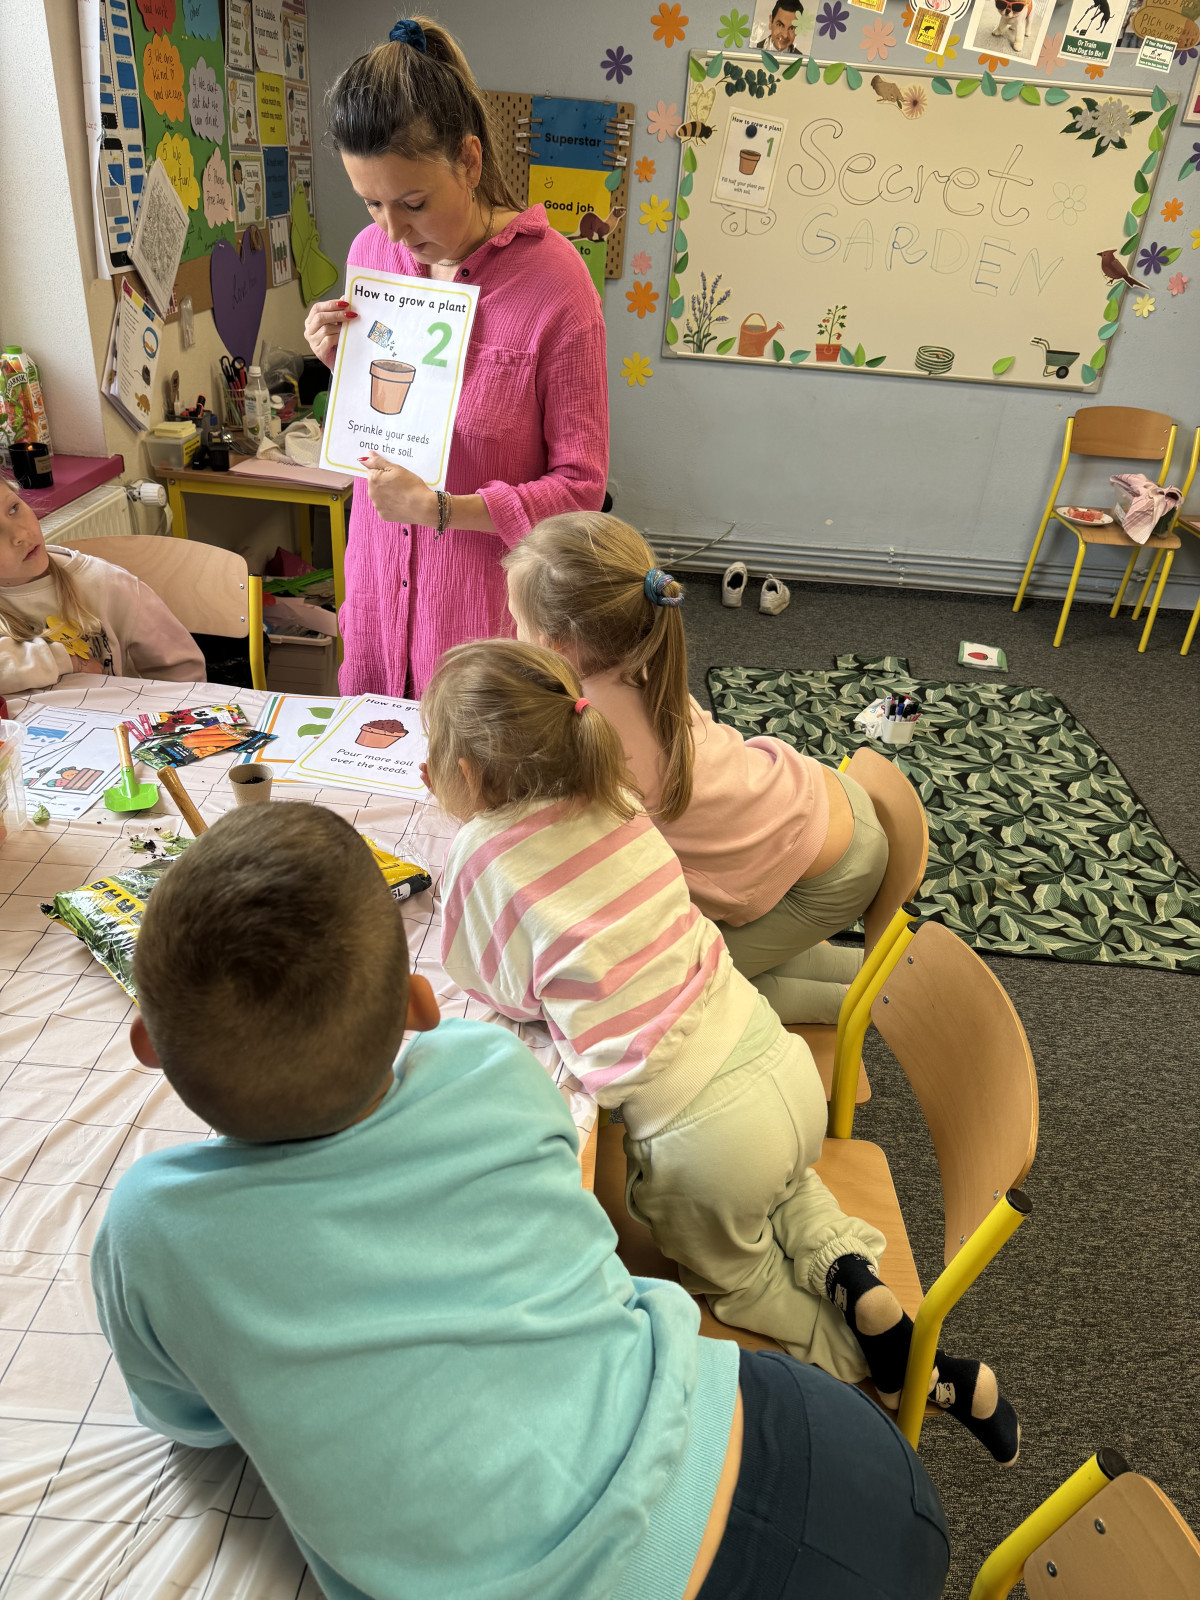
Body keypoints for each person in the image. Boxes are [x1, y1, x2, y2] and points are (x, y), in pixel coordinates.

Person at [90, 804, 953, 1600]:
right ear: (419, 1007)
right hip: (837, 1453)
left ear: (147, 1046)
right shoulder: (484, 1066)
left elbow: (189, 1422)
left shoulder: (147, 1230)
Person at [427, 638, 1019, 1466]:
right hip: (777, 1066)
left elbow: (486, 980)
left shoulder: (483, 855)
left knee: (739, 1280)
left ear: (468, 773)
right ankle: (851, 1272)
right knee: (788, 1181)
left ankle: (914, 1375)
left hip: (699, 1142)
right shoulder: (617, 797)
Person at [305, 16, 608, 699]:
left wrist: (447, 509)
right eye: (370, 203)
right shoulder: (371, 254)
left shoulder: (556, 284)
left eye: (413, 203)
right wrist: (339, 359)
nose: (393, 231)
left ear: (469, 163)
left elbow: (581, 488)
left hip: (484, 616)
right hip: (380, 589)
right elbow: (395, 419)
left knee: (478, 762)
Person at [504, 514, 887, 1026]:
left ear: (554, 644)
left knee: (661, 988)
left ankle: (866, 1007)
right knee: (698, 954)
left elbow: (570, 864)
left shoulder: (595, 737)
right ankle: (871, 974)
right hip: (824, 803)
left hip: (825, 875)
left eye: (517, 624)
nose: (513, 634)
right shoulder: (640, 652)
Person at [0, 478, 203, 692]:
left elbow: (183, 671)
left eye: (13, 508)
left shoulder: (105, 582)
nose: (21, 535)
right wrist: (64, 659)